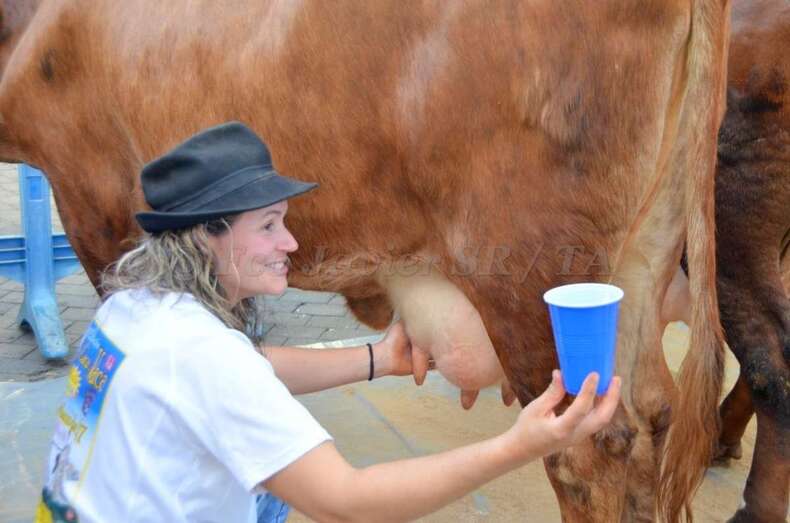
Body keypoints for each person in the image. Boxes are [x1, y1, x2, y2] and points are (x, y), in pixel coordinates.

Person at [36, 122, 621, 523]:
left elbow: (252, 367)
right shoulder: (203, 358)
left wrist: (378, 359)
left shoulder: (135, 309)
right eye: (267, 225)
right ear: (205, 235)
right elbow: (346, 502)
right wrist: (516, 447)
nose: (289, 242)